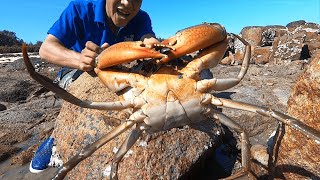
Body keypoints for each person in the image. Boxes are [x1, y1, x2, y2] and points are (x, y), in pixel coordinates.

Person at [30, 0, 158, 173]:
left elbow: (147, 37)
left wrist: (152, 43)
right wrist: (80, 60)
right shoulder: (79, 9)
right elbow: (46, 49)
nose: (128, 3)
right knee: (87, 92)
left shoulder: (141, 17)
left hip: (118, 72)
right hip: (75, 70)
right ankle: (57, 137)